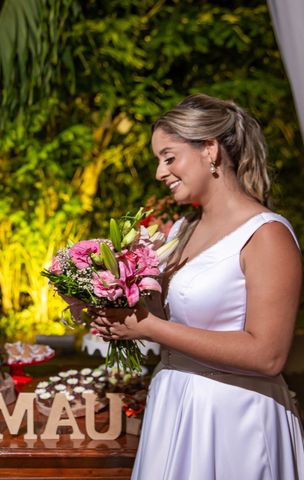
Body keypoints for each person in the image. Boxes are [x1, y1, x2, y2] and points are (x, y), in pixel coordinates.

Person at [90, 93, 304, 479]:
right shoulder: (183, 231)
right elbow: (172, 322)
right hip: (176, 403)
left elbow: (269, 355)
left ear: (209, 150)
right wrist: (115, 311)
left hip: (234, 418)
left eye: (169, 157)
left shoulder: (266, 235)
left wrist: (150, 328)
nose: (160, 172)